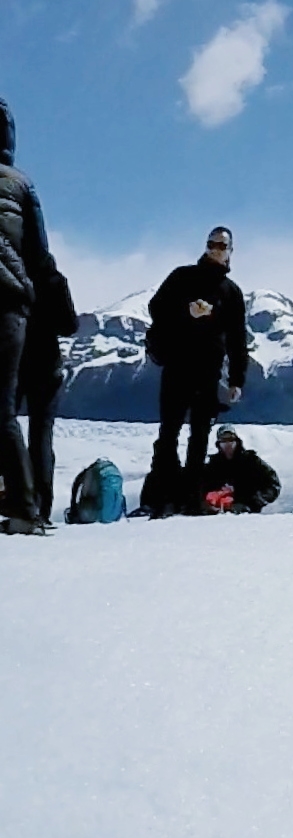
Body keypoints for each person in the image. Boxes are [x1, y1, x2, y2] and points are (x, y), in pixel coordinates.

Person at [141, 225, 250, 518]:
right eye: (212, 244)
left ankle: (192, 499)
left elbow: (239, 339)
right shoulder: (182, 276)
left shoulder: (232, 292)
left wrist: (238, 379)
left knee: (200, 436)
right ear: (205, 246)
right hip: (177, 366)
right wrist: (185, 311)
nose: (216, 249)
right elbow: (155, 308)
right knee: (169, 433)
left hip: (209, 372)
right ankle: (164, 499)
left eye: (222, 246)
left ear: (230, 251)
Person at [0, 96, 64, 534]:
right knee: (2, 411)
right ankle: (27, 509)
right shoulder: (23, 185)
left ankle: (24, 507)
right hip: (9, 307)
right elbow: (40, 257)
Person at [198, 424, 280, 513]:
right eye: (224, 440)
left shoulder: (251, 461)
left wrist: (253, 503)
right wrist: (205, 504)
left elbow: (273, 485)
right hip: (216, 517)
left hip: (248, 517)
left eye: (231, 440)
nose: (228, 444)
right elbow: (202, 487)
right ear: (218, 444)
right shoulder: (213, 466)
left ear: (237, 441)